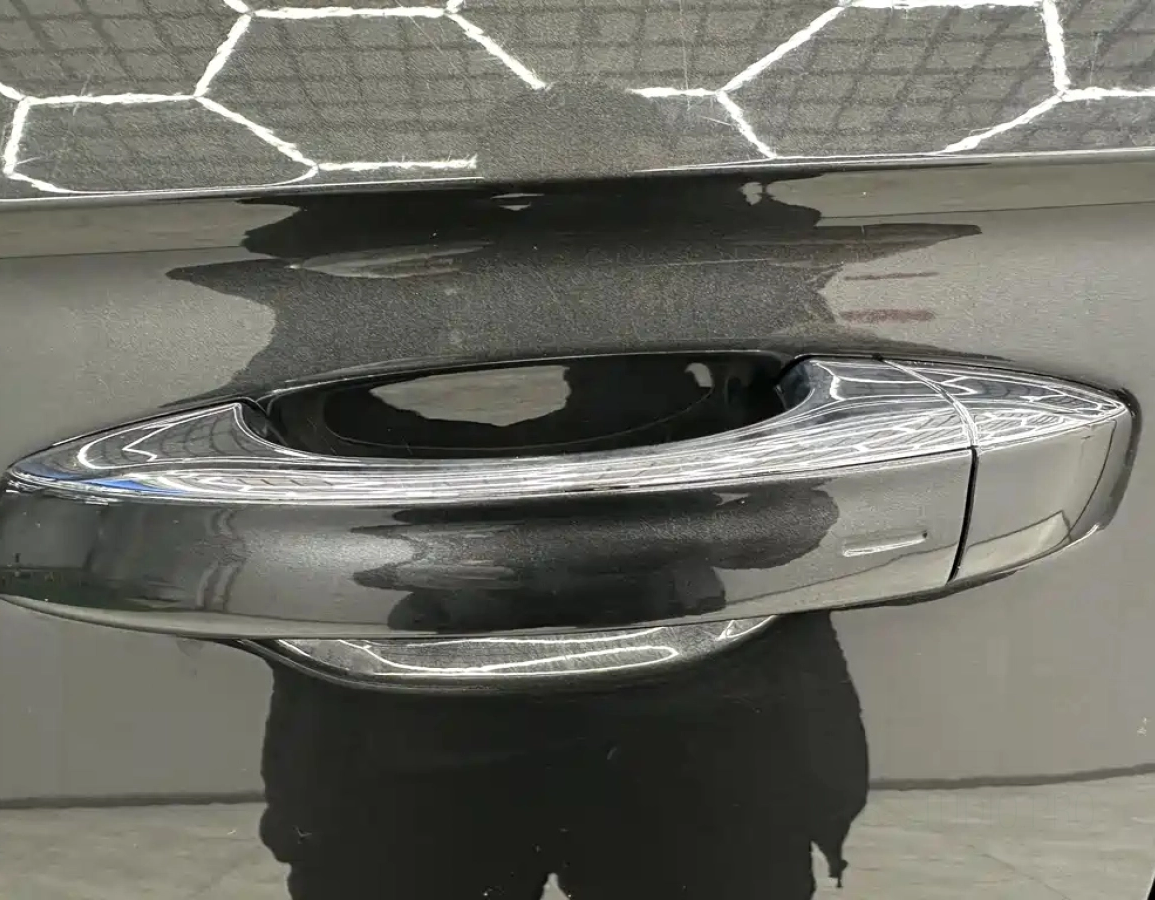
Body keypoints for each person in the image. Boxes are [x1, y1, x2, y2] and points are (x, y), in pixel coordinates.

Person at [168, 80, 980, 899]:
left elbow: (802, 522)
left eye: (624, 204)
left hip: (662, 705)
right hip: (453, 700)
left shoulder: (751, 289)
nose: (572, 233)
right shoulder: (367, 298)